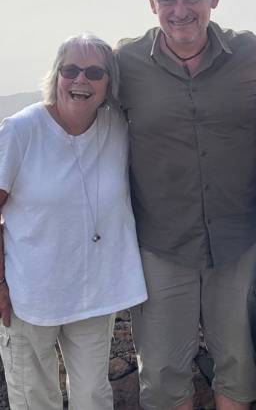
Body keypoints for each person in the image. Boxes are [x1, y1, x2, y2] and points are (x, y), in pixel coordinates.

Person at [115, 0, 256, 410]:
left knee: (238, 364)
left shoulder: (249, 54)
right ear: (151, 2)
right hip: (161, 243)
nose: (180, 10)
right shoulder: (125, 63)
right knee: (162, 374)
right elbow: (75, 118)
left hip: (237, 238)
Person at [0, 33, 147, 410]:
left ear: (109, 83)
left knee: (93, 397)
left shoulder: (119, 128)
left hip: (94, 295)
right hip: (28, 297)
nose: (81, 80)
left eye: (94, 72)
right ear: (56, 75)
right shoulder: (20, 130)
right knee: (34, 399)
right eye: (71, 70)